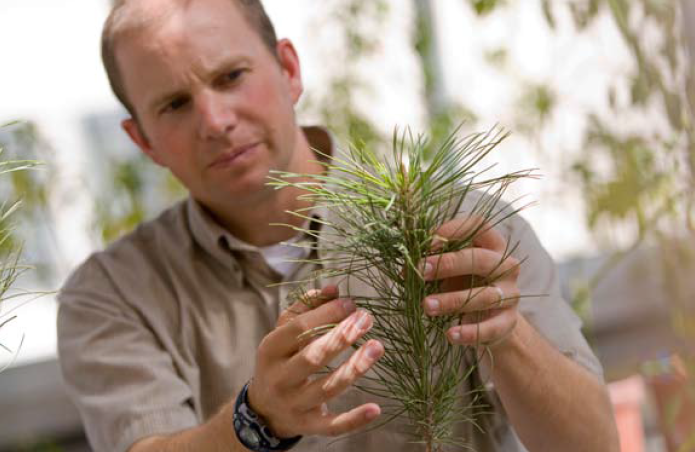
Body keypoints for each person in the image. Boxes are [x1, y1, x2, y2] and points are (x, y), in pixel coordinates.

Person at [56, 0, 620, 451]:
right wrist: (257, 420)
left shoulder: (458, 228)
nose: (215, 121)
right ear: (141, 140)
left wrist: (506, 334)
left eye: (231, 76)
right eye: (175, 105)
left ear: (289, 69)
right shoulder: (110, 294)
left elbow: (592, 444)